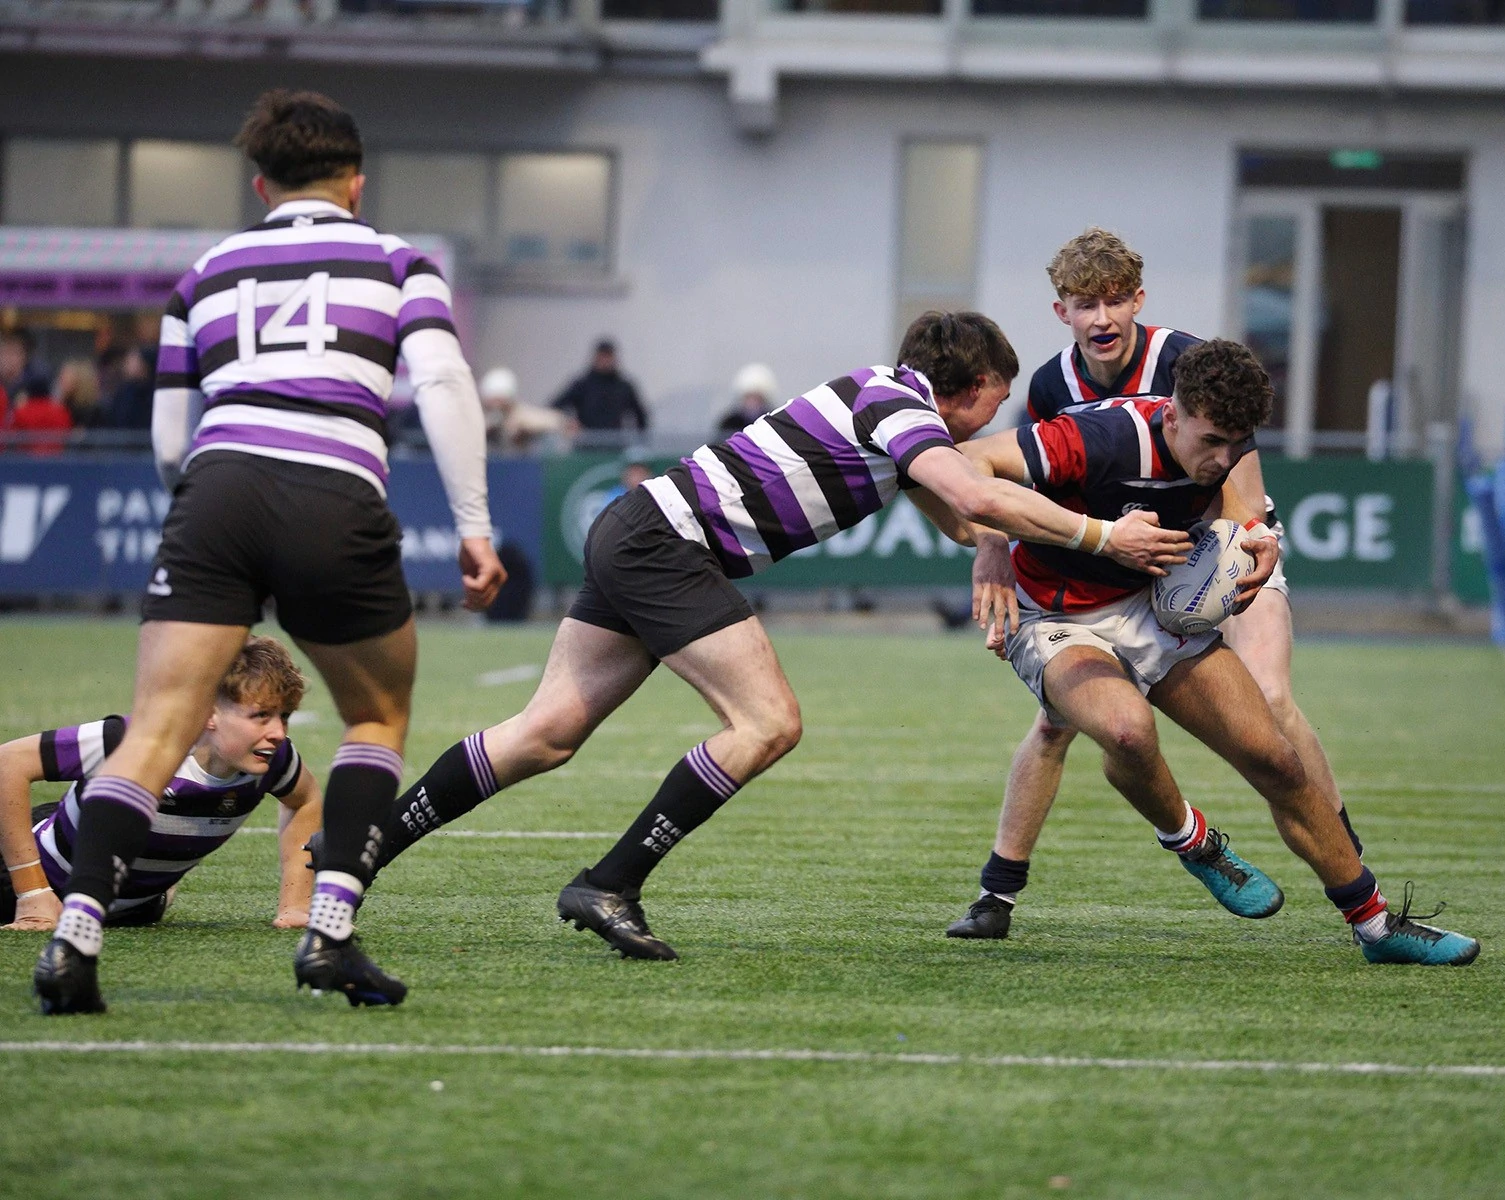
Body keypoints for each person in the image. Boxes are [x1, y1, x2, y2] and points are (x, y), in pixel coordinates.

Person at [343, 311, 1193, 968]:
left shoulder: (880, 396)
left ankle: (364, 846)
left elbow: (960, 512)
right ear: (966, 387)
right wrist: (1101, 538)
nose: (990, 423)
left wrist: (996, 550)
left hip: (638, 530)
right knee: (769, 722)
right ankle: (609, 884)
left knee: (547, 732)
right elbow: (972, 496)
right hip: (666, 547)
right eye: (993, 403)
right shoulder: (900, 411)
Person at [28, 88, 505, 1016]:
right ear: (356, 183)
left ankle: (75, 936)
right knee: (373, 719)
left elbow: (171, 441)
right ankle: (329, 935)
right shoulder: (397, 261)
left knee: (158, 727)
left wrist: (211, 520)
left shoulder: (203, 272)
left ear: (260, 184)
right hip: (333, 490)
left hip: (216, 491)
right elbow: (442, 380)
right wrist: (474, 522)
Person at [953, 340, 1479, 965]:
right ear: (1171, 417)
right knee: (1125, 731)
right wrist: (989, 545)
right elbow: (964, 462)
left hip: (1148, 605)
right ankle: (1194, 841)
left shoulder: (1221, 440)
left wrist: (1254, 538)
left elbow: (1244, 509)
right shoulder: (1097, 437)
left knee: (1277, 761)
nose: (1223, 458)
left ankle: (1376, 926)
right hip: (1052, 616)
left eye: (1238, 444)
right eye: (1211, 443)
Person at [948, 227, 1359, 939]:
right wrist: (993, 550)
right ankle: (998, 892)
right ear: (1062, 313)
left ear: (1139, 301)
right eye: (1085, 303)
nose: (1101, 318)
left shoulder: (1191, 364)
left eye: (1114, 301)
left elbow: (1240, 490)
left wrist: (1249, 547)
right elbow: (1010, 481)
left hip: (1219, 544)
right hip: (1122, 567)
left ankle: (1347, 856)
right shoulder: (1052, 387)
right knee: (1061, 720)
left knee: (1268, 698)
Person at [0, 637, 322, 941]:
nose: (278, 732)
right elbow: (8, 763)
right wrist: (32, 894)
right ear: (208, 711)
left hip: (133, 910)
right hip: (22, 876)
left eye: (284, 716)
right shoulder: (134, 740)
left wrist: (295, 905)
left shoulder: (275, 761)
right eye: (261, 715)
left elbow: (306, 801)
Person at [552, 339, 648, 436]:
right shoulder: (582, 385)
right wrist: (567, 420)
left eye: (608, 357)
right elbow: (556, 406)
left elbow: (641, 416)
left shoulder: (624, 387)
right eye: (602, 356)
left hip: (614, 444)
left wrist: (639, 440)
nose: (605, 361)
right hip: (586, 443)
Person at [1, 375, 72, 455]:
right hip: (57, 460)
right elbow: (67, 433)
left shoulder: (21, 412)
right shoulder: (61, 411)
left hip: (26, 461)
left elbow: (11, 436)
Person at [717, 362, 778, 434]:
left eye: (757, 398)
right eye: (749, 397)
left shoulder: (774, 422)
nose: (752, 403)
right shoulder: (729, 424)